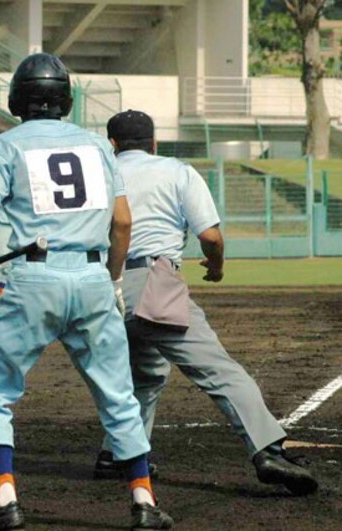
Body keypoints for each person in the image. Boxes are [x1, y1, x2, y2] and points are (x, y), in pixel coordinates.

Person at [0, 53, 173, 530]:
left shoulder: (6, 144)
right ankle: (144, 504)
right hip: (94, 279)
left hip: (36, 278)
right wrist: (114, 280)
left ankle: (4, 503)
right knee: (119, 394)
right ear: (66, 100)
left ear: (17, 99)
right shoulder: (98, 146)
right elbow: (121, 222)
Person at [92, 109, 318, 496]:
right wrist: (216, 268)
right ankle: (267, 448)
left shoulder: (99, 175)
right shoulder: (176, 171)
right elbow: (210, 237)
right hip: (152, 281)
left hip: (98, 284)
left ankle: (118, 454)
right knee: (219, 370)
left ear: (112, 144)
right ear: (153, 143)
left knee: (143, 373)